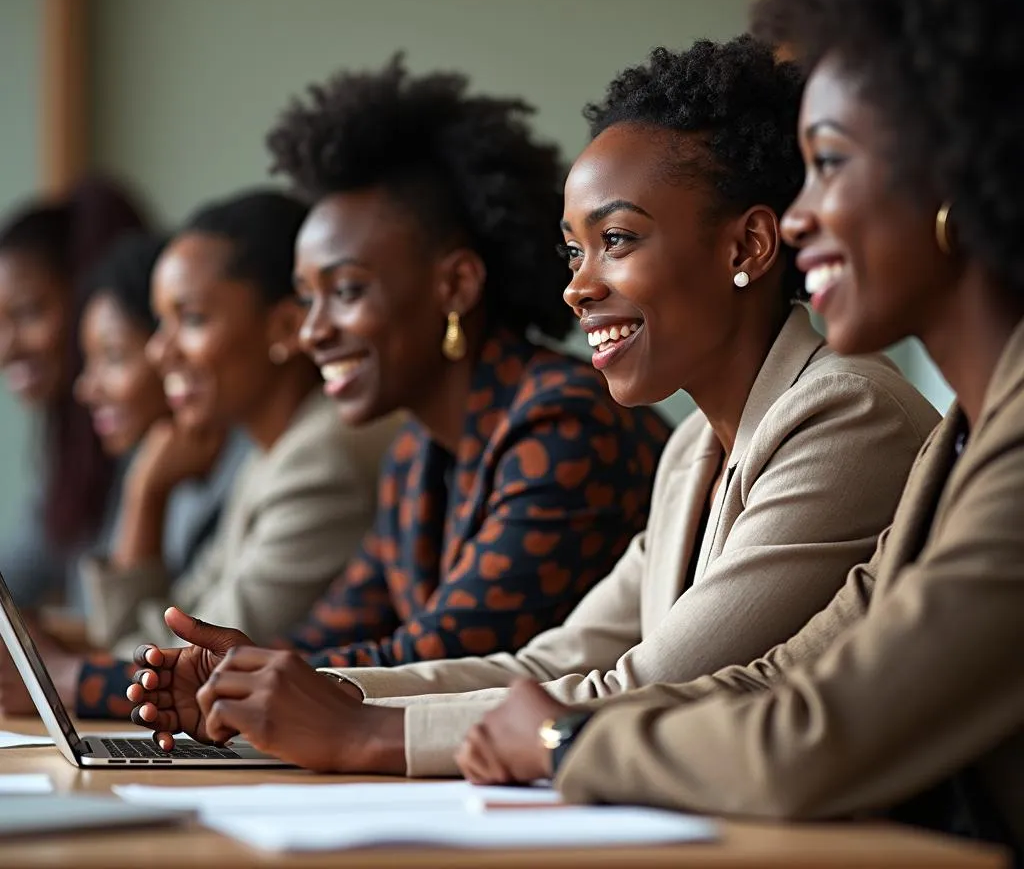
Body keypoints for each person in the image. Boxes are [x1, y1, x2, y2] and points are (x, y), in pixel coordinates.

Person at [132, 40, 937, 775]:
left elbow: (652, 685)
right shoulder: (694, 446)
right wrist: (298, 690)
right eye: (573, 249)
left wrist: (361, 731)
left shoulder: (843, 414)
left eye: (616, 240)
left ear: (748, 248)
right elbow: (548, 664)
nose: (578, 286)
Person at [456, 0, 1024, 860]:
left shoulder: (919, 423)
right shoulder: (967, 439)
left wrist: (557, 739)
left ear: (960, 170)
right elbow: (792, 680)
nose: (799, 216)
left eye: (831, 165)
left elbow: (811, 738)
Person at [125, 55, 670, 751]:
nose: (314, 330)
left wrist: (94, 678)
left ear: (456, 286)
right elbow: (331, 636)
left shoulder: (564, 423)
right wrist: (216, 677)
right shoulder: (417, 452)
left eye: (346, 291)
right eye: (307, 296)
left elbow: (432, 652)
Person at [0, 189, 397, 718]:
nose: (160, 351)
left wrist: (67, 677)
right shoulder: (269, 455)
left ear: (282, 328)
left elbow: (196, 663)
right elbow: (157, 632)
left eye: (189, 319)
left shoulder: (319, 459)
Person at [73, 233, 251, 624]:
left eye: (114, 358)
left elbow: (134, 640)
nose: (86, 387)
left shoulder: (247, 467)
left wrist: (144, 496)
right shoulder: (147, 460)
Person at [0, 173, 147, 610]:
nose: (6, 346)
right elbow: (18, 572)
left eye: (29, 313)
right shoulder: (71, 448)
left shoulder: (161, 448)